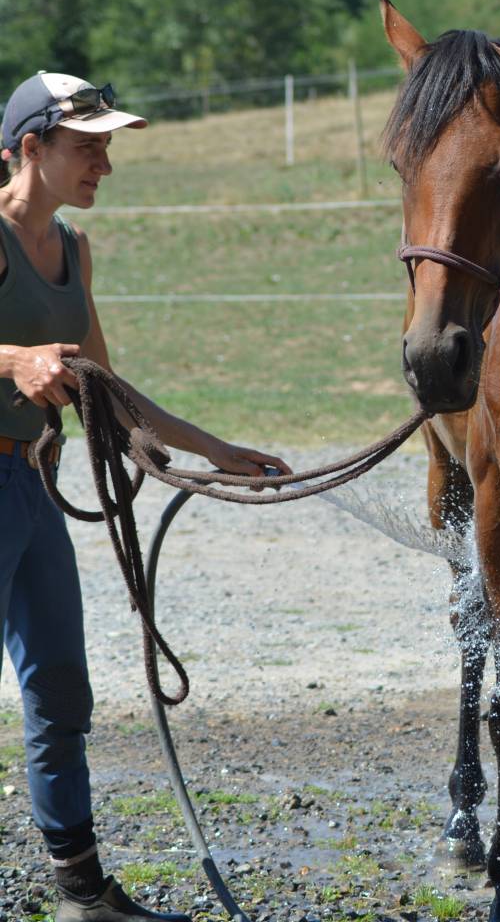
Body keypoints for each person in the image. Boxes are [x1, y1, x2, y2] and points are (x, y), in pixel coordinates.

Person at [0, 71, 290, 921]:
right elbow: (28, 360)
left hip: (32, 483)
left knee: (59, 689)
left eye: (107, 148)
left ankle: (84, 894)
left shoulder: (75, 252)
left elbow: (106, 388)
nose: (105, 166)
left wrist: (217, 451)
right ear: (30, 147)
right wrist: (15, 361)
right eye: (88, 147)